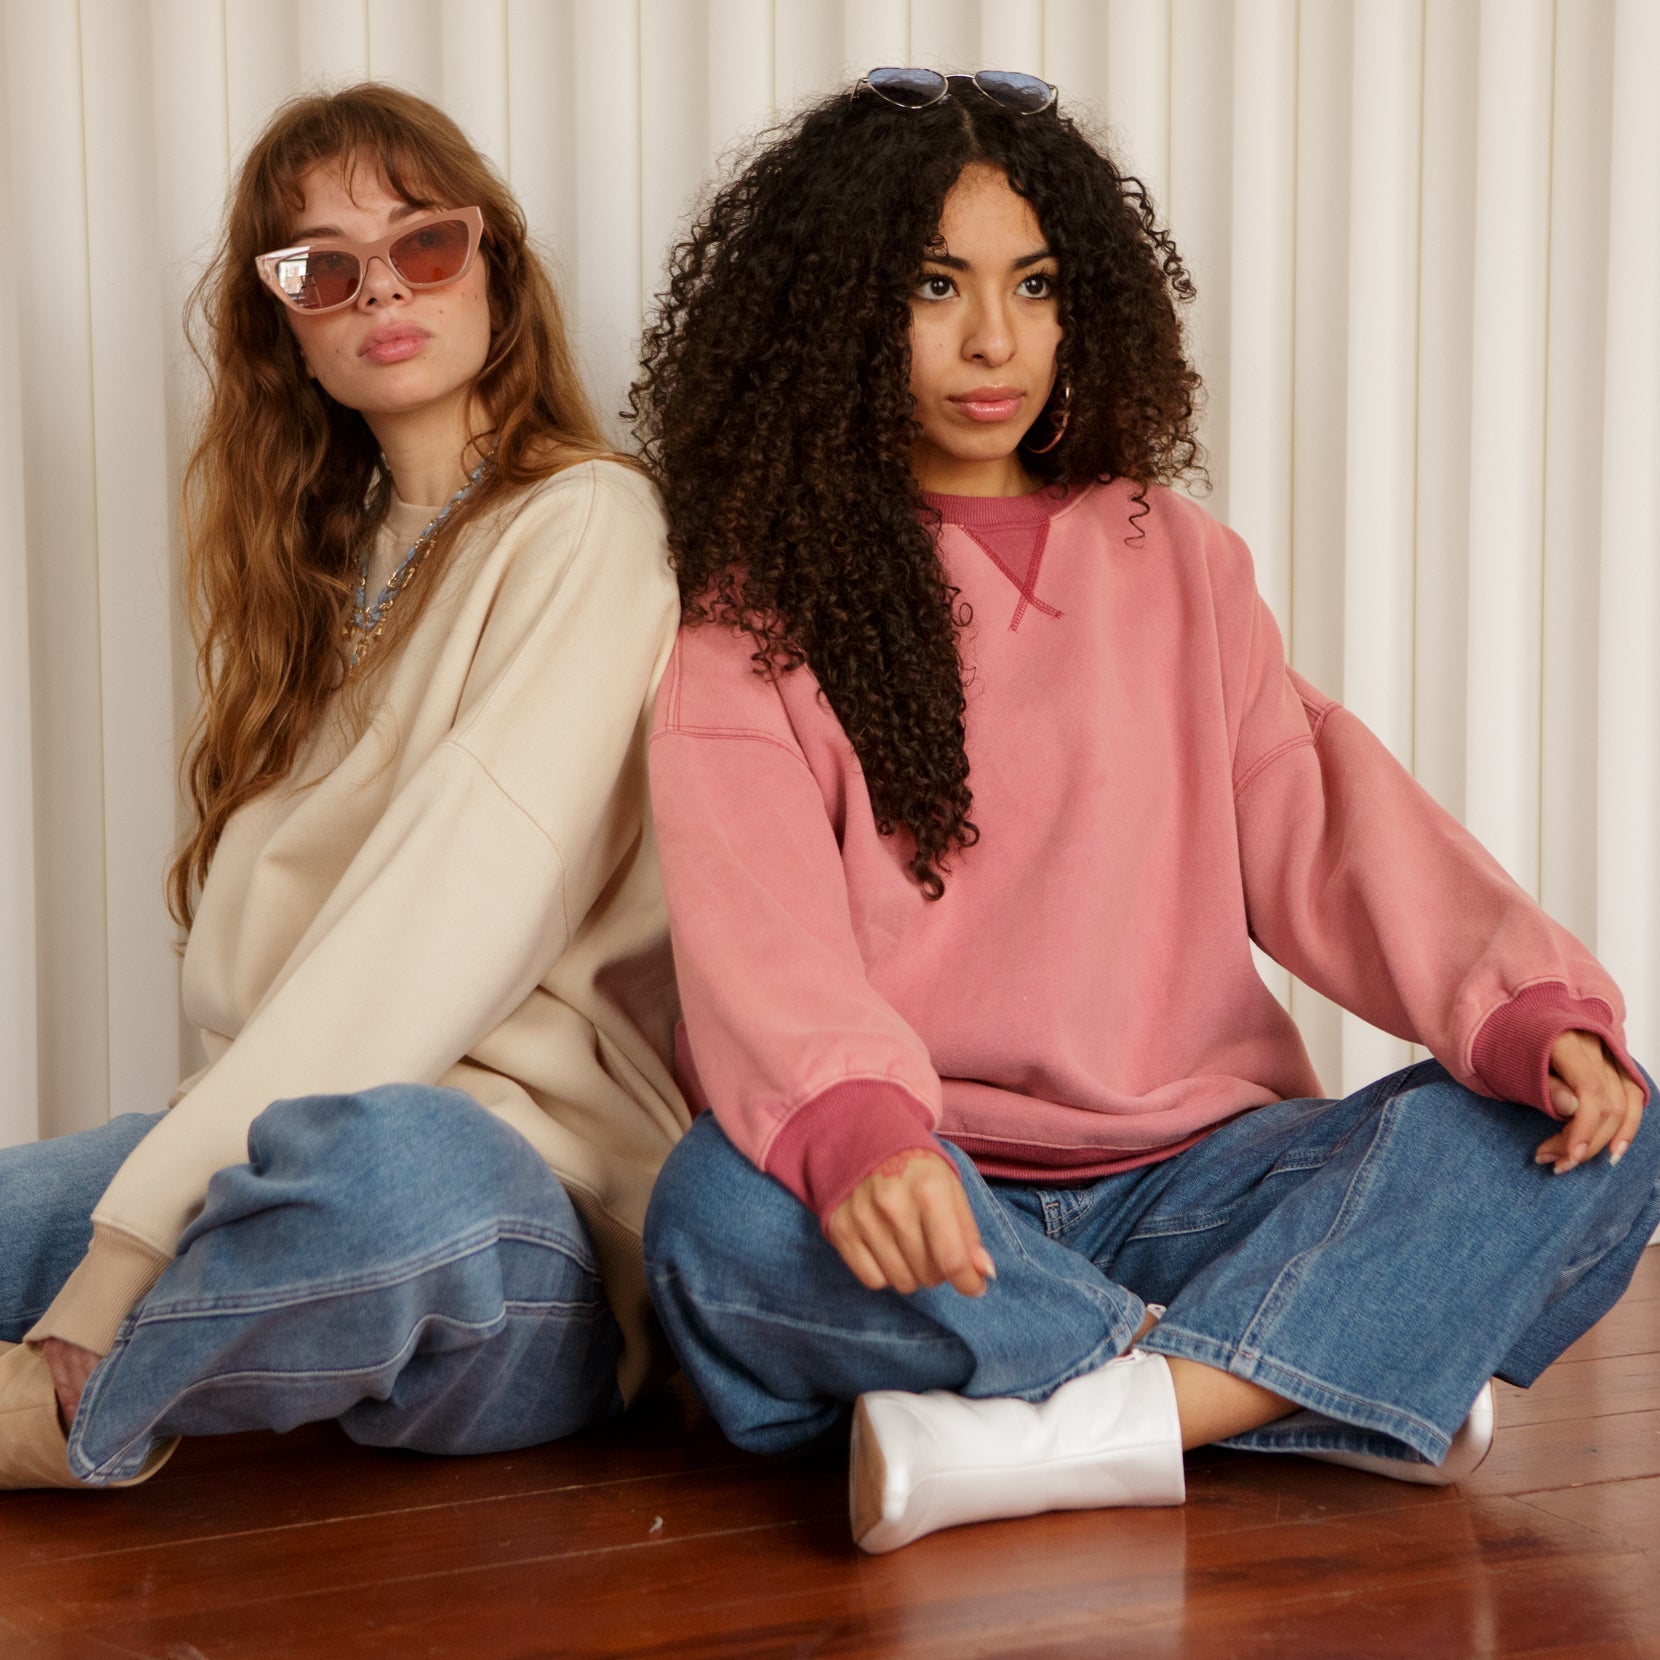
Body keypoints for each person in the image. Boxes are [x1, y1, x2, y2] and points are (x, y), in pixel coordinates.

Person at [632, 68, 1657, 1554]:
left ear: (1087, 305)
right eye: (935, 286)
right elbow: (758, 935)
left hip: (1205, 1181)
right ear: (835, 311)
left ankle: (1098, 1420)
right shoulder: (751, 613)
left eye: (1036, 285)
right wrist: (862, 1135)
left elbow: (1329, 824)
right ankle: (1317, 1378)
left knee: (1591, 1131)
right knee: (718, 1217)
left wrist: (1525, 1005)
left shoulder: (1176, 558)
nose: (996, 340)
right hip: (941, 1193)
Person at [0, 83, 686, 1489]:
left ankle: (70, 1399)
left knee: (382, 1173)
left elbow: (445, 921)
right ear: (289, 334)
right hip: (276, 1148)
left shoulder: (590, 525)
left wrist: (121, 1259)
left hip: (521, 1200)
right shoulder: (321, 584)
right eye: (321, 268)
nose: (381, 288)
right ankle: (139, 1362)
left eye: (424, 243)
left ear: (494, 267)